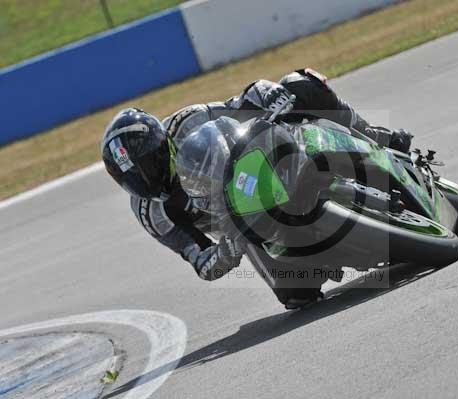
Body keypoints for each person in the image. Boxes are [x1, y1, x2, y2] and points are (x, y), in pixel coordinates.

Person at [100, 68, 413, 309]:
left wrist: (270, 95)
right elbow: (199, 260)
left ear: (160, 145)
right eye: (133, 179)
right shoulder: (151, 211)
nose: (146, 180)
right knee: (295, 296)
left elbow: (244, 101)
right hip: (247, 226)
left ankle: (375, 138)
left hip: (263, 165)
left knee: (299, 82)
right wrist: (224, 254)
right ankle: (338, 250)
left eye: (148, 166)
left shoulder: (188, 121)